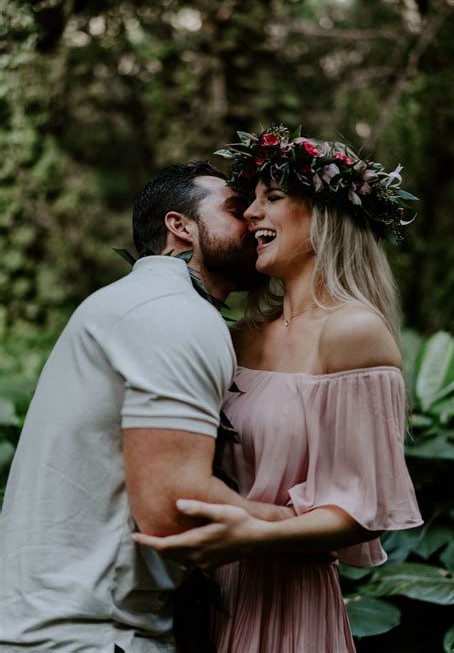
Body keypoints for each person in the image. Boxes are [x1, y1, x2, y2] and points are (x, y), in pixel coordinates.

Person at [133, 129, 424, 652]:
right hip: (204, 596)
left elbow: (361, 509)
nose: (250, 215)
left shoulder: (352, 331)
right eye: (249, 202)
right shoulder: (235, 337)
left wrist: (252, 535)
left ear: (325, 217)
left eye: (273, 198)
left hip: (288, 601)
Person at [0, 161, 293, 652]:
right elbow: (172, 509)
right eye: (236, 208)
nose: (255, 219)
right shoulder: (171, 312)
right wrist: (297, 526)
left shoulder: (143, 302)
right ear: (180, 227)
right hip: (87, 635)